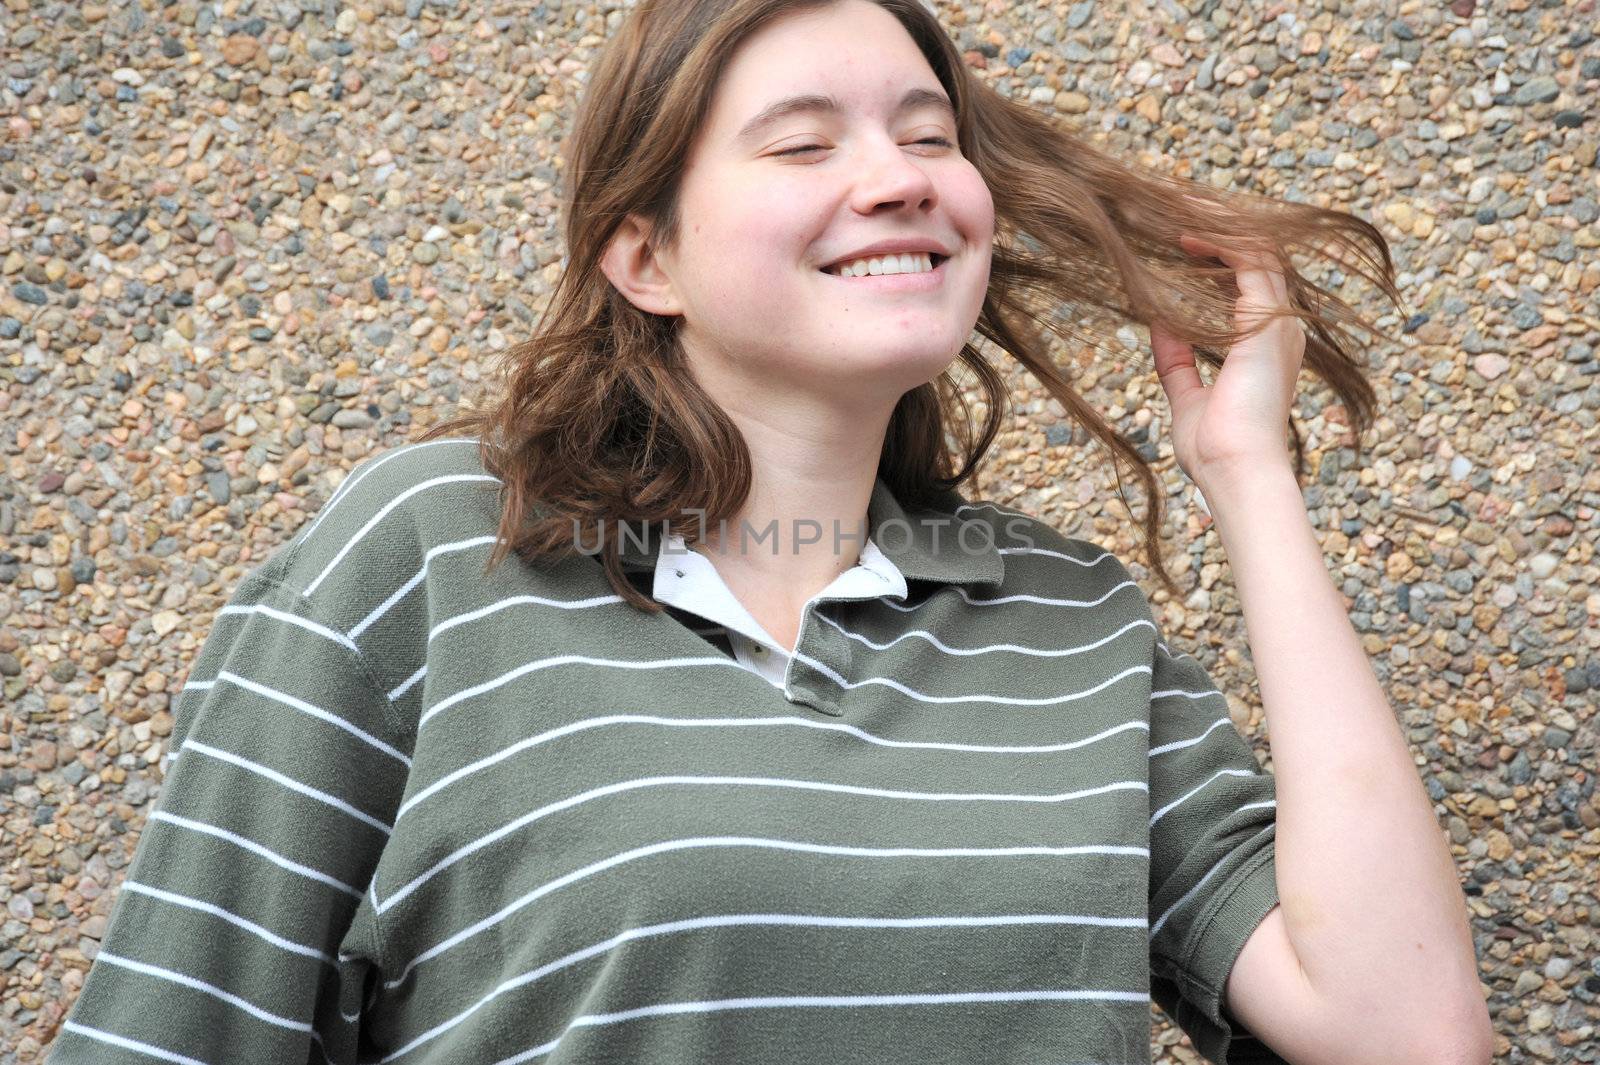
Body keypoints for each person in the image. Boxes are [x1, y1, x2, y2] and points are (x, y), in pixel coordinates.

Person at [53, 1, 1483, 1063]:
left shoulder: (1073, 625)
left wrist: (1250, 475)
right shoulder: (435, 555)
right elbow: (174, 1029)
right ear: (645, 254)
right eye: (806, 142)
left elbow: (1403, 1029)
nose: (902, 176)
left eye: (931, 137)